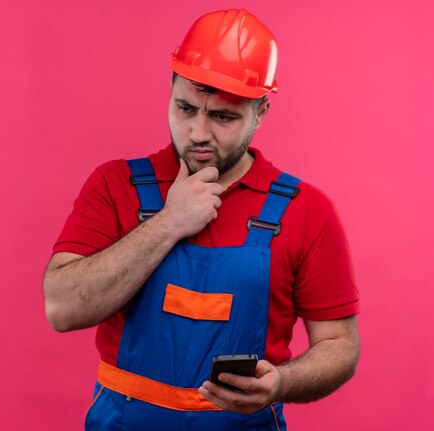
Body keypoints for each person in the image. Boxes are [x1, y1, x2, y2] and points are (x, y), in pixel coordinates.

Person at [44, 9, 360, 430]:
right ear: (170, 90)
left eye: (223, 117)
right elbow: (61, 308)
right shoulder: (114, 185)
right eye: (185, 108)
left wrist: (280, 383)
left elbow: (339, 345)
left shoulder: (308, 211)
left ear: (261, 112)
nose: (196, 132)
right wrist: (169, 222)